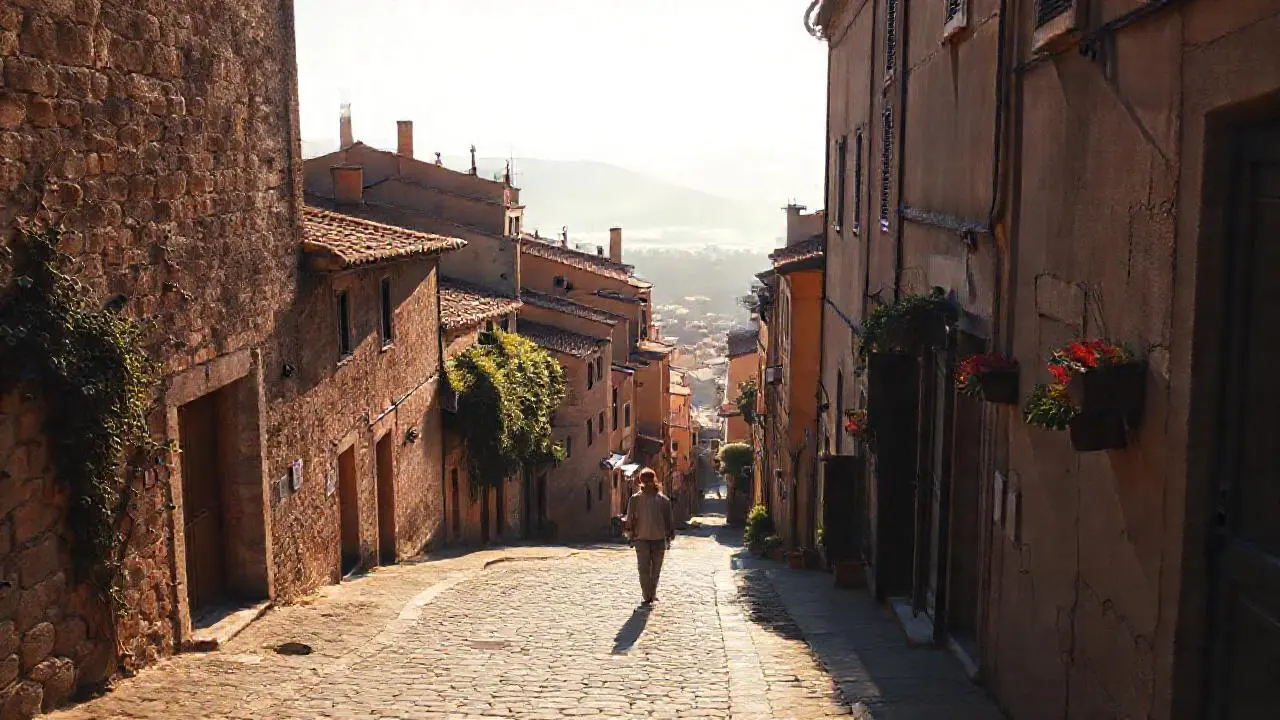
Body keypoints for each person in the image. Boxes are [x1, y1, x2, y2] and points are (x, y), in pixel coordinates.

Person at [622, 468, 675, 608]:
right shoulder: (635, 499)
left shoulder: (663, 500)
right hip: (641, 539)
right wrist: (629, 533)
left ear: (653, 480)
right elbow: (630, 518)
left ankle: (651, 593)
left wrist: (670, 533)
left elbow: (669, 519)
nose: (647, 483)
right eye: (645, 480)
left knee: (655, 570)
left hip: (659, 539)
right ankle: (647, 595)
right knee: (644, 569)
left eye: (649, 480)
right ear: (641, 481)